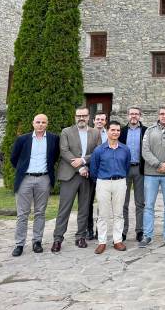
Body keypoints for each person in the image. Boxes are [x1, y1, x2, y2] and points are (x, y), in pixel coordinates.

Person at [52, 107, 101, 252]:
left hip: (87, 176)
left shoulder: (95, 132)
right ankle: (57, 239)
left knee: (84, 208)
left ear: (88, 117)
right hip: (70, 175)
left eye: (84, 115)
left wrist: (84, 161)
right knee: (64, 209)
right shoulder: (66, 132)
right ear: (75, 117)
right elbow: (64, 151)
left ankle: (81, 236)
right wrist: (79, 167)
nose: (81, 118)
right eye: (78, 116)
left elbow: (97, 151)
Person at [10, 114, 59, 257]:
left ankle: (37, 241)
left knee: (40, 212)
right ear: (33, 123)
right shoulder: (22, 139)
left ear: (47, 124)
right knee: (22, 214)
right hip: (25, 179)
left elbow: (54, 157)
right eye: (38, 122)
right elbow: (14, 158)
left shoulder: (53, 139)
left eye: (43, 122)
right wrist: (22, 170)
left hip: (44, 179)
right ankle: (19, 244)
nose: (40, 125)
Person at [138, 104, 165, 247]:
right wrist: (158, 164)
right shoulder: (149, 131)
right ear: (158, 115)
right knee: (149, 206)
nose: (164, 116)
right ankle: (147, 235)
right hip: (151, 173)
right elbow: (145, 151)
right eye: (162, 113)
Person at [90, 121, 131, 254]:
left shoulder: (125, 149)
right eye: (112, 130)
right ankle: (102, 242)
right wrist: (101, 180)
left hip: (120, 182)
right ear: (107, 131)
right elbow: (94, 169)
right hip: (103, 182)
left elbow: (127, 167)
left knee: (119, 213)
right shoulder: (99, 150)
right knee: (103, 214)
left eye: (118, 130)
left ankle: (117, 240)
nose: (115, 132)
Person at [118, 106, 147, 242]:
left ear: (140, 115)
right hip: (125, 169)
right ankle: (123, 231)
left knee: (140, 202)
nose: (133, 116)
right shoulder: (122, 131)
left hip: (140, 169)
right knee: (123, 203)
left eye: (136, 114)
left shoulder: (146, 131)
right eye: (131, 114)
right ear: (127, 115)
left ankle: (139, 230)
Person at [85, 111, 108, 239]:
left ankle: (100, 230)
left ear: (105, 121)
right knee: (88, 202)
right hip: (89, 172)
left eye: (102, 119)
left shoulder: (109, 134)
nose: (100, 121)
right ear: (93, 121)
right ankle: (89, 229)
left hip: (104, 173)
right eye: (97, 119)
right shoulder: (87, 133)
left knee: (102, 204)